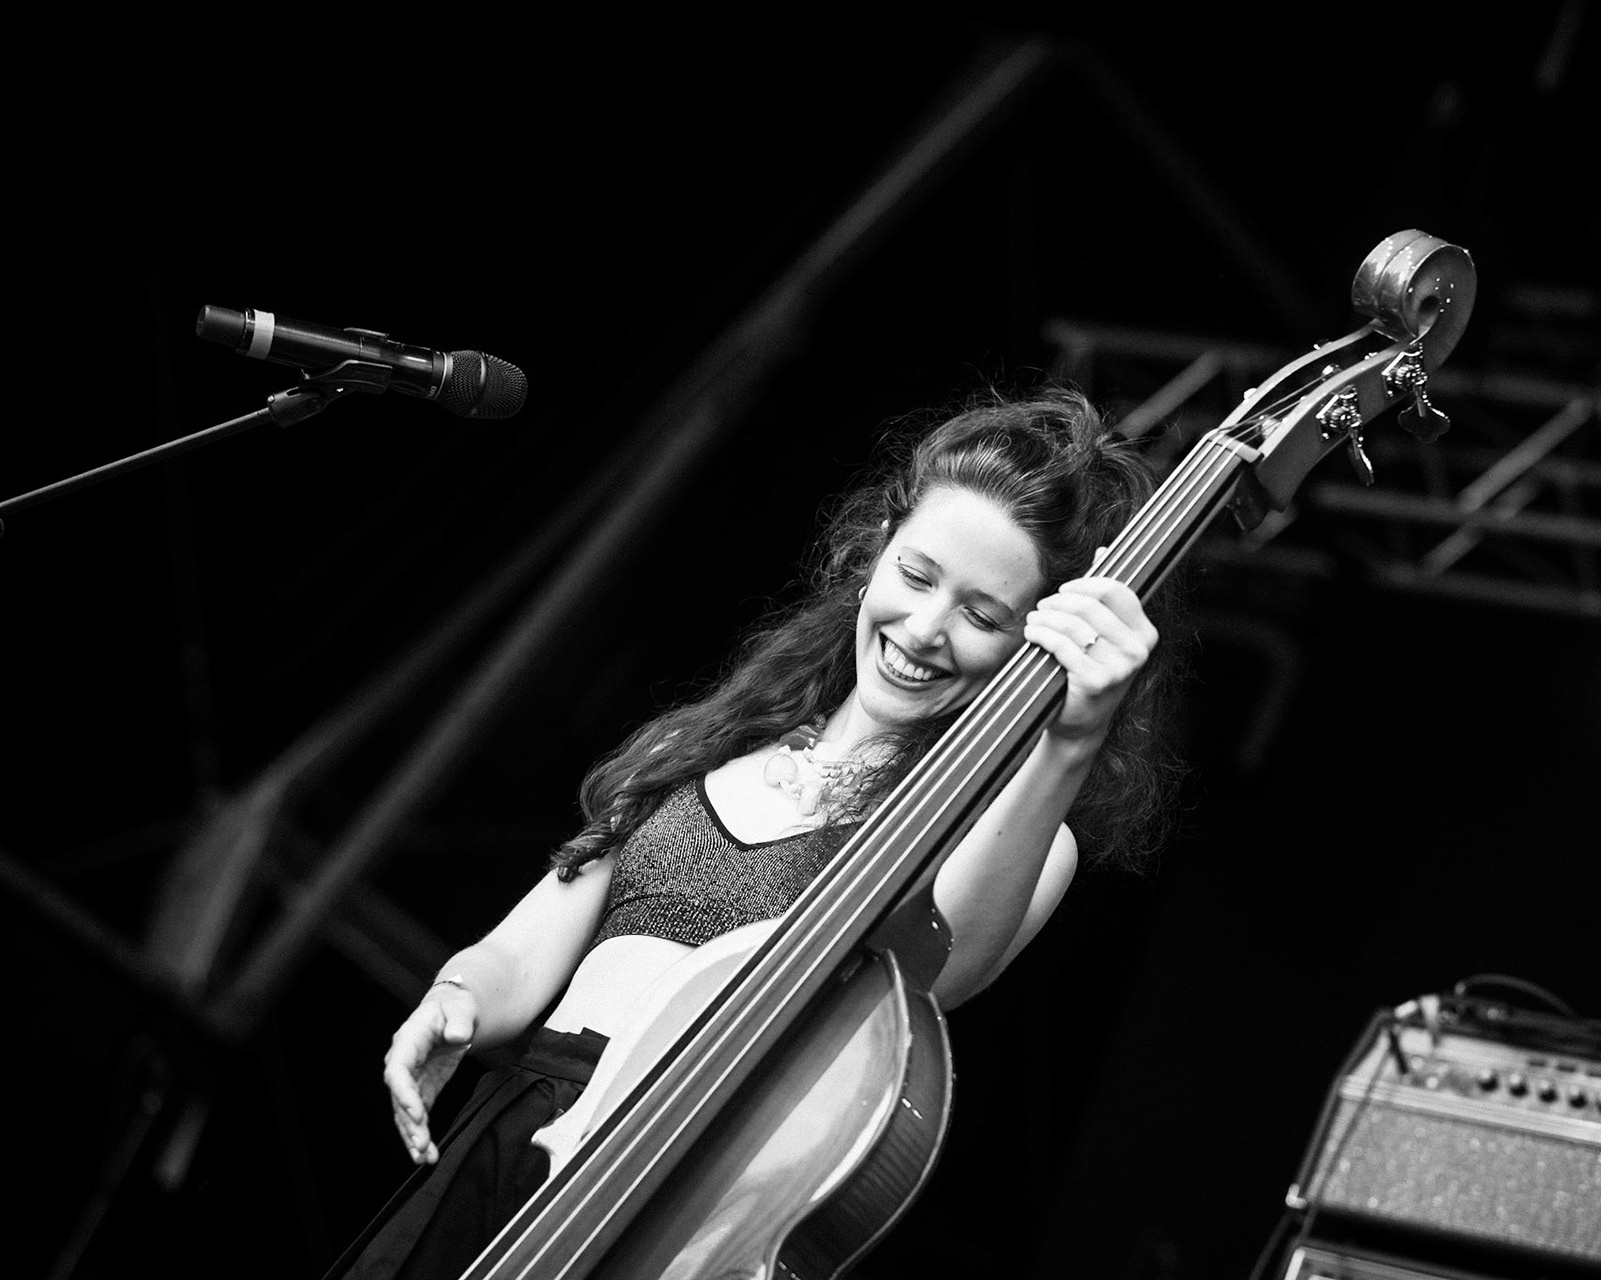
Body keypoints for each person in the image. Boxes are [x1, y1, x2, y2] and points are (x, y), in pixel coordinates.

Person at [325, 387, 1185, 1279]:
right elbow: (524, 948)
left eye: (982, 615)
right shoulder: (704, 747)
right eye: (918, 577)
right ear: (876, 554)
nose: (924, 630)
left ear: (1029, 644)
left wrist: (1070, 741)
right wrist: (455, 996)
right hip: (515, 1140)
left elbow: (943, 964)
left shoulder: (1014, 834)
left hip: (673, 1205)